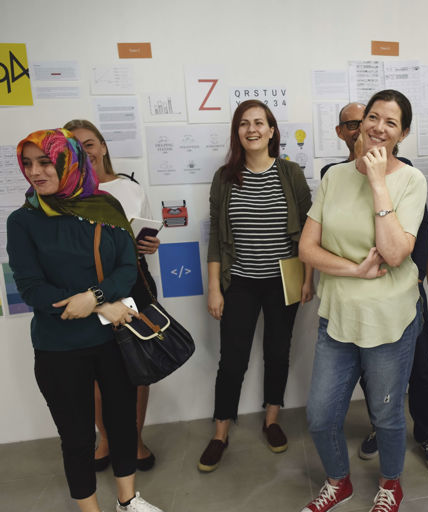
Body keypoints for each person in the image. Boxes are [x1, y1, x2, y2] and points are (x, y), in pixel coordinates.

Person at [7, 128, 163, 512]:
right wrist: (100, 306)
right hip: (59, 346)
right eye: (27, 164)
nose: (35, 172)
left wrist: (94, 298)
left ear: (70, 162)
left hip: (114, 340)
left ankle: (128, 500)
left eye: (45, 162)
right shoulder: (23, 220)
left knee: (123, 424)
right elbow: (32, 289)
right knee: (77, 438)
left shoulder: (105, 208)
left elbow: (127, 269)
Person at [299, 89, 427, 512]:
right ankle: (339, 481)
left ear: (402, 133)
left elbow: (394, 254)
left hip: (389, 317)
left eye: (391, 123)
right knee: (320, 415)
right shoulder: (333, 176)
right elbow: (307, 249)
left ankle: (391, 483)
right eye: (374, 117)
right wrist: (354, 269)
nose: (378, 127)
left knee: (386, 414)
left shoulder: (411, 180)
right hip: (337, 313)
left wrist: (377, 182)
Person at [321, 104, 428, 474]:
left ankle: (427, 434)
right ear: (344, 131)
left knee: (421, 368)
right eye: (356, 123)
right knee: (371, 373)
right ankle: (381, 425)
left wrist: (418, 275)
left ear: (399, 132)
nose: (369, 128)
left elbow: (418, 234)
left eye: (382, 122)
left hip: (403, 287)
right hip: (355, 292)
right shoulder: (334, 174)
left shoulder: (405, 174)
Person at [199, 99, 314, 471]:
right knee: (232, 360)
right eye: (244, 123)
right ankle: (220, 431)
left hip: (285, 280)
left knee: (278, 353)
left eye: (259, 122)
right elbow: (217, 237)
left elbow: (311, 233)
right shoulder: (225, 177)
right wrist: (214, 288)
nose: (252, 129)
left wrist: (308, 278)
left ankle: (272, 419)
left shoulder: (291, 173)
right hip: (241, 282)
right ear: (238, 132)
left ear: (272, 130)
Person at [63, 119, 160, 472]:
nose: (85, 151)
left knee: (139, 366)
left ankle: (133, 439)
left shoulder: (130, 188)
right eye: (76, 146)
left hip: (134, 282)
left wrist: (150, 244)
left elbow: (145, 234)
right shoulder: (64, 195)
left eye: (90, 143)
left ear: (103, 147)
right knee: (97, 369)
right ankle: (106, 439)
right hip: (90, 290)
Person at [319, 102, 366, 177]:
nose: (361, 130)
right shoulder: (330, 172)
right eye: (353, 125)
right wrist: (358, 160)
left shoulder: (386, 168)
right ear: (340, 132)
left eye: (365, 123)